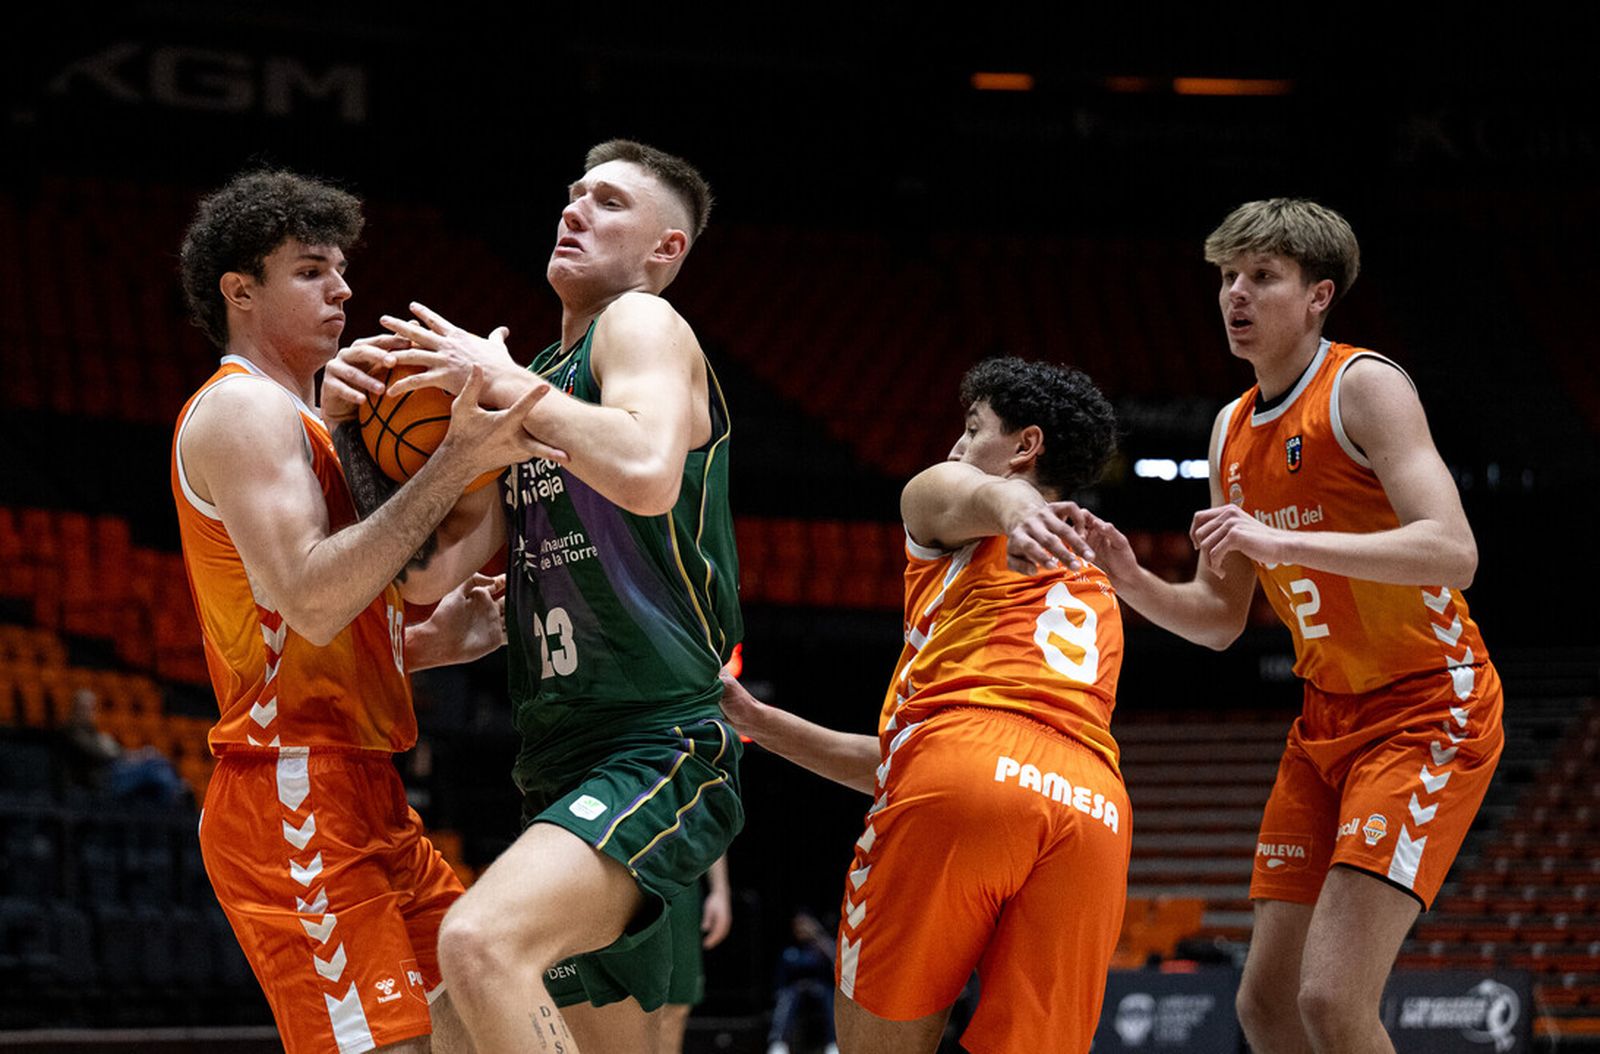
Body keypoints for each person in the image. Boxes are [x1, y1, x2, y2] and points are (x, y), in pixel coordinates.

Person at [320, 140, 742, 1054]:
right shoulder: (538, 393)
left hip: (657, 744)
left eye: (609, 201)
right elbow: (422, 572)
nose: (575, 210)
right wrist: (347, 430)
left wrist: (504, 387)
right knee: (442, 1038)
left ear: (665, 250)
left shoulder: (640, 326)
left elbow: (643, 469)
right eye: (572, 195)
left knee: (477, 944)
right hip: (558, 760)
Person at [1077, 198, 1504, 1054]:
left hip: (1427, 707)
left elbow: (1453, 552)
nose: (1236, 294)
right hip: (1322, 722)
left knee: (1331, 1003)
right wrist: (1127, 579)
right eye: (1228, 277)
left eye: (1262, 277)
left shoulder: (1364, 386)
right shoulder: (1230, 428)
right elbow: (1219, 620)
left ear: (1319, 295)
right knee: (1264, 1007)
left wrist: (1280, 536)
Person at [171, 169, 553, 1054]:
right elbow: (307, 597)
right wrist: (455, 459)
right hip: (293, 788)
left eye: (341, 268)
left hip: (364, 784)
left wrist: (418, 642)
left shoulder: (308, 421)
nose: (342, 287)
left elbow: (329, 609)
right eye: (309, 269)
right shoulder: (242, 410)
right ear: (240, 291)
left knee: (476, 1017)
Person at [720, 357, 1126, 1054]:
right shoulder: (1095, 583)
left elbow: (961, 762)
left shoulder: (954, 500)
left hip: (966, 765)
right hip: (1093, 806)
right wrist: (761, 723)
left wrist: (1021, 511)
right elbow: (924, 761)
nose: (956, 448)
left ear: (1025, 447)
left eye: (973, 429)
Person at [659, 855, 733, 1054]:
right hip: (618, 865)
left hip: (678, 875)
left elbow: (712, 823)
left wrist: (720, 890)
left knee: (676, 1003)